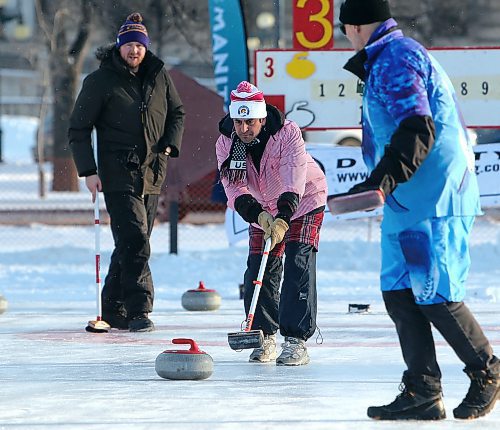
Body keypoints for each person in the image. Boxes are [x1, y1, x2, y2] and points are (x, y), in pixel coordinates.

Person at [337, 0, 499, 421]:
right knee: (399, 293)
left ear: (352, 26)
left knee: (435, 294)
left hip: (435, 197)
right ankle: (423, 390)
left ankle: (488, 371)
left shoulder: (397, 56)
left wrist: (382, 179)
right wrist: (381, 183)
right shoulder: (385, 58)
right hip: (405, 201)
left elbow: (418, 127)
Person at [69, 12, 185, 332]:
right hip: (117, 173)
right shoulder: (100, 81)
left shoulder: (159, 75)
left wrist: (168, 147)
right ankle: (138, 310)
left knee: (132, 242)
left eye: (140, 45)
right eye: (129, 45)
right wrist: (89, 171)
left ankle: (112, 307)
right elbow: (78, 129)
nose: (135, 51)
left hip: (152, 172)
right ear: (119, 47)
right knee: (135, 239)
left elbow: (177, 112)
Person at [215, 81, 327, 366]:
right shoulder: (227, 143)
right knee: (260, 267)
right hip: (262, 209)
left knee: (297, 263)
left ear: (262, 118)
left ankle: (296, 339)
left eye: (249, 121)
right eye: (238, 121)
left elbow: (293, 178)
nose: (243, 128)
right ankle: (263, 334)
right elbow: (235, 189)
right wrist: (260, 216)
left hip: (303, 201)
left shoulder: (287, 133)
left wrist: (282, 218)